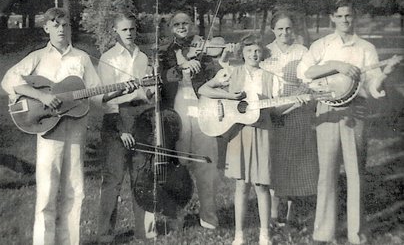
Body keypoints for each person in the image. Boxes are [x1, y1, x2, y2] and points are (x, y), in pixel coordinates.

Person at [297, 0, 398, 244]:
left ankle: (357, 234)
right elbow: (305, 72)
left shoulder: (365, 48)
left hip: (356, 112)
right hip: (327, 111)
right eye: (339, 16)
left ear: (355, 17)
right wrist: (335, 65)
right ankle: (323, 233)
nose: (344, 20)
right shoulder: (322, 45)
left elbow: (373, 86)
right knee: (327, 173)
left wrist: (384, 74)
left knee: (355, 174)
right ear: (332, 17)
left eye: (348, 15)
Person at [1, 7, 101, 245]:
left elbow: (96, 92)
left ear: (70, 28)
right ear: (46, 28)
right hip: (48, 129)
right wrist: (41, 96)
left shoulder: (82, 58)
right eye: (55, 25)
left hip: (76, 127)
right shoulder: (38, 56)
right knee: (47, 189)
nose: (61, 29)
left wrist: (123, 90)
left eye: (65, 25)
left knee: (75, 188)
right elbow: (9, 79)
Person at [199, 34, 308, 245]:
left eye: (257, 50)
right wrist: (231, 98)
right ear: (242, 53)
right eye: (249, 51)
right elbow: (204, 90)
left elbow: (275, 112)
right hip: (239, 133)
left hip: (262, 133)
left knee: (262, 185)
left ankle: (264, 234)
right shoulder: (231, 73)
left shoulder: (272, 78)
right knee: (241, 186)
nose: (254, 54)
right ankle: (239, 235)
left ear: (263, 53)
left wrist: (295, 103)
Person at [96, 13, 157, 243]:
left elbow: (147, 92)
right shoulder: (108, 58)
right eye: (124, 30)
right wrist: (121, 129)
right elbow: (106, 98)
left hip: (141, 116)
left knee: (142, 175)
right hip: (117, 120)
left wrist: (151, 90)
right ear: (115, 31)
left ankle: (145, 231)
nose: (129, 33)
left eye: (132, 29)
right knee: (113, 179)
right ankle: (105, 235)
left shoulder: (143, 57)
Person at [158, 12, 222, 230]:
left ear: (192, 25)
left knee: (207, 161)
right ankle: (176, 215)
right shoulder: (165, 51)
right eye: (177, 24)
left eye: (186, 23)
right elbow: (164, 77)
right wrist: (182, 67)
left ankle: (209, 216)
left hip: (204, 105)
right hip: (179, 107)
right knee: (179, 162)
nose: (182, 27)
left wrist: (214, 62)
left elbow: (217, 74)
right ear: (170, 27)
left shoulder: (202, 48)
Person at [260, 12, 318, 227]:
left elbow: (308, 82)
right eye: (280, 29)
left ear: (294, 30)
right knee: (274, 161)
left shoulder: (303, 52)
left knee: (294, 161)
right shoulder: (266, 52)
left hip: (297, 112)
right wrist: (273, 108)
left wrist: (294, 103)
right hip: (271, 112)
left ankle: (290, 215)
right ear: (273, 30)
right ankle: (274, 214)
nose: (284, 33)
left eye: (288, 29)